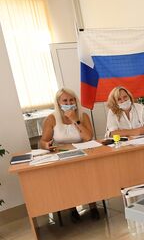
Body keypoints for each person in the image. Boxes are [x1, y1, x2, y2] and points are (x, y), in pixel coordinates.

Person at [39, 88, 100, 222]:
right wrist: (46, 145)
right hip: (62, 156)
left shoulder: (83, 115)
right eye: (65, 100)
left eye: (71, 99)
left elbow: (88, 137)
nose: (69, 102)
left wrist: (74, 120)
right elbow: (42, 141)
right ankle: (72, 209)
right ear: (58, 103)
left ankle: (93, 206)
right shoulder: (51, 119)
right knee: (66, 181)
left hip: (83, 154)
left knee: (89, 178)